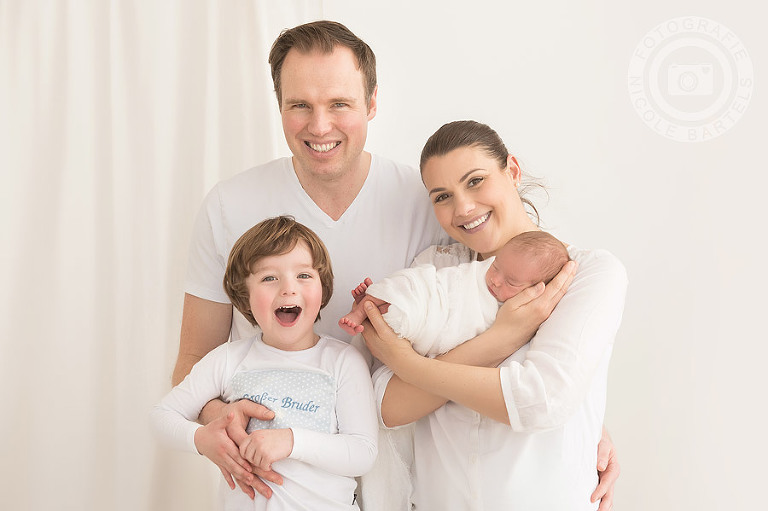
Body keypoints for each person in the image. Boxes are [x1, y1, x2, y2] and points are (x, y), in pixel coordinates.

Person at [171, 19, 619, 509]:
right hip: (273, 482)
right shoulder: (229, 206)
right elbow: (195, 359)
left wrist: (584, 418)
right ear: (278, 105)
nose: (319, 126)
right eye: (300, 105)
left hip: (396, 482)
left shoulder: (425, 202)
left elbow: (499, 296)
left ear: (372, 103)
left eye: (339, 103)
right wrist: (217, 423)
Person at [361, 120, 628, 510]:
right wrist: (500, 339)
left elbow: (542, 401)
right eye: (442, 196)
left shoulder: (587, 273)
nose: (463, 208)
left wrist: (408, 364)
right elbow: (389, 407)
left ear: (512, 171)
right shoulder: (435, 269)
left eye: (475, 181)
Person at [153, 216, 378, 510]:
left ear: (322, 288)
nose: (288, 288)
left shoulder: (342, 361)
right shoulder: (228, 359)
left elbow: (363, 452)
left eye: (303, 275)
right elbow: (161, 417)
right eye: (269, 278)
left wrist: (290, 441)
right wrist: (202, 439)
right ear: (244, 296)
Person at [339, 230, 569, 345]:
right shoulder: (469, 267)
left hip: (438, 324)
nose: (496, 280)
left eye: (511, 282)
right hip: (435, 290)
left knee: (407, 314)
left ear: (535, 291)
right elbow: (445, 281)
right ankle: (366, 305)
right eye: (496, 266)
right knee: (411, 284)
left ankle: (378, 306)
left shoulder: (512, 316)